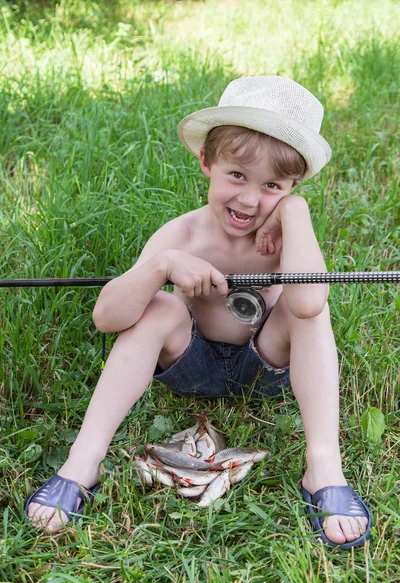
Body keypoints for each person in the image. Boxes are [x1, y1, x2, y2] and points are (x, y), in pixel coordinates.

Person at [25, 76, 372, 548]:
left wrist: (296, 215)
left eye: (273, 185)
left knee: (306, 306)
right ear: (207, 162)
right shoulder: (181, 236)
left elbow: (309, 302)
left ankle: (323, 465)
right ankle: (84, 459)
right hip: (191, 364)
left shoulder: (290, 234)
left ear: (293, 187)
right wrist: (162, 267)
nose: (250, 200)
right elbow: (107, 317)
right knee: (158, 305)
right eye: (237, 175)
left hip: (263, 366)